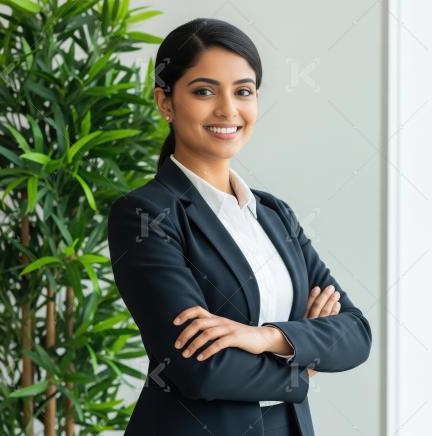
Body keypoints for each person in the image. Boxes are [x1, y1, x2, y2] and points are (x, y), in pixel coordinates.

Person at [107, 18, 372, 436]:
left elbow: (356, 333)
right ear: (165, 102)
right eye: (204, 91)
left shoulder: (274, 214)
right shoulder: (145, 214)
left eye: (243, 91)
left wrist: (267, 338)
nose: (228, 109)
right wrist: (304, 366)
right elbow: (200, 369)